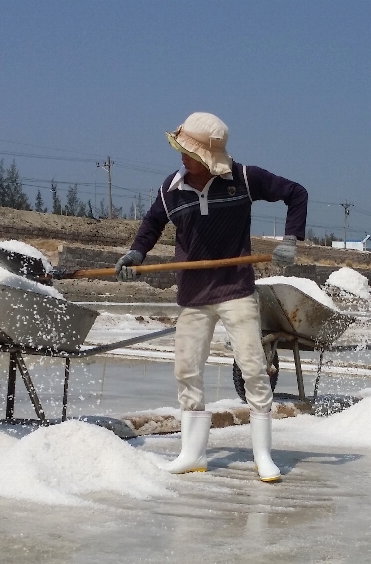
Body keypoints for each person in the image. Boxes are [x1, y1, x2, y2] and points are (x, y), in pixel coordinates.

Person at [116, 112, 308, 481]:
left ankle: (263, 455)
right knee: (186, 369)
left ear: (208, 157)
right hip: (193, 293)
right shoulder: (170, 189)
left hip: (235, 289)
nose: (182, 158)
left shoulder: (244, 178)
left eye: (189, 153)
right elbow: (152, 224)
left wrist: (290, 239)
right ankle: (193, 453)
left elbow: (295, 193)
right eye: (181, 150)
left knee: (253, 368)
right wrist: (137, 253)